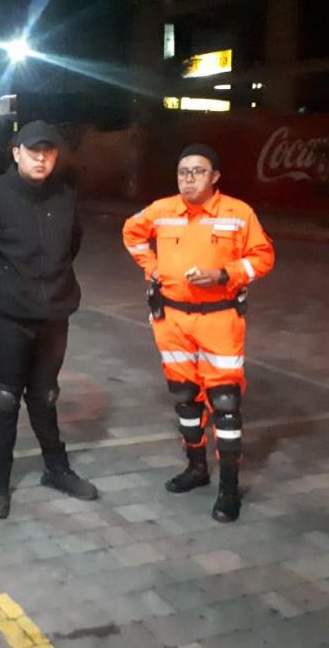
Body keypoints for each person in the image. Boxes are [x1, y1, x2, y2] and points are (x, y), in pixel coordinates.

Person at [122, 144, 274, 523]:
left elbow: (263, 257)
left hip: (219, 320)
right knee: (185, 398)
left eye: (198, 171)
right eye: (183, 171)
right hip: (171, 320)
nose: (189, 178)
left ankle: (229, 488)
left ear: (215, 176)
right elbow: (131, 233)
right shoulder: (161, 210)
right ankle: (196, 467)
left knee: (225, 403)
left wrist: (225, 275)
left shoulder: (238, 214)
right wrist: (152, 267)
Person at [0, 119, 98, 520]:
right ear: (16, 153)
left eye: (48, 151)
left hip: (54, 313)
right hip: (6, 317)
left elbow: (72, 245)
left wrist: (47, 287)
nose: (41, 157)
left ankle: (57, 469)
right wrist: (3, 289)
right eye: (33, 150)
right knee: (5, 397)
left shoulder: (66, 196)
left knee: (45, 393)